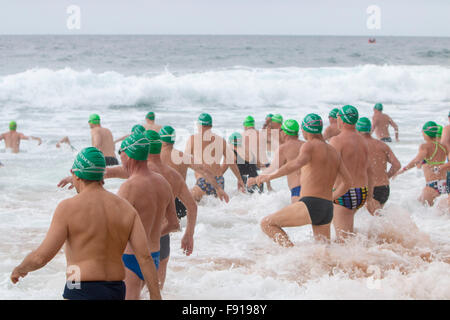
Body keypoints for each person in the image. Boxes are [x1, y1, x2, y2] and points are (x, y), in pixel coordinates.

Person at [12, 147, 161, 300]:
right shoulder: (126, 209)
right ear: (102, 175)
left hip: (79, 287)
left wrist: (20, 269)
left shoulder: (67, 208)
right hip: (115, 289)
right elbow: (145, 257)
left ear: (75, 175)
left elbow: (41, 257)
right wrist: (156, 295)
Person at [255, 114, 352, 246]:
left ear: (305, 129)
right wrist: (332, 197)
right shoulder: (333, 151)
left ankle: (293, 254)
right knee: (323, 252)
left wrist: (270, 176)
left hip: (310, 204)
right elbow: (348, 182)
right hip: (327, 207)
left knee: (267, 223)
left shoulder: (309, 146)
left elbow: (295, 164)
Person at [116, 133, 178, 299]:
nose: (120, 157)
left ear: (128, 155)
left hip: (130, 258)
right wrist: (153, 235)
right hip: (154, 257)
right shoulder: (163, 183)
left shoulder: (129, 186)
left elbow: (116, 230)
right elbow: (174, 223)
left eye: (120, 152)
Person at [159, 125, 230, 214]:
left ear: (160, 140)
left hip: (161, 201)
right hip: (179, 201)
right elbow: (204, 171)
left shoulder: (153, 158)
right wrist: (219, 189)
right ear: (173, 140)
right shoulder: (183, 157)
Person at [330, 105, 375, 240]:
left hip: (344, 193)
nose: (336, 121)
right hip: (362, 191)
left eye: (337, 117)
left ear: (342, 120)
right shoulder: (363, 140)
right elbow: (370, 171)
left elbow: (330, 168)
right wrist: (370, 197)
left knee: (343, 240)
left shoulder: (336, 140)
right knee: (348, 233)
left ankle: (360, 259)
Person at [186, 113, 245, 202]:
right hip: (219, 181)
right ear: (211, 125)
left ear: (199, 125)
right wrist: (239, 179)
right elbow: (231, 161)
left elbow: (184, 161)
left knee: (185, 202)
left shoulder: (193, 139)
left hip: (204, 181)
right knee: (214, 209)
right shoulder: (221, 140)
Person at [248, 119, 304, 202]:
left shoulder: (284, 148)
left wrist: (255, 179)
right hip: (310, 187)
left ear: (285, 133)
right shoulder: (305, 145)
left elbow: (272, 169)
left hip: (297, 190)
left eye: (281, 130)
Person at [394, 121, 448, 206]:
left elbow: (417, 160)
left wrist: (403, 170)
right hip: (444, 185)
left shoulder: (425, 146)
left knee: (423, 214)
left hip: (431, 186)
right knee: (436, 215)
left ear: (426, 133)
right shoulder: (444, 147)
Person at [356, 117, 401, 209]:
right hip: (384, 188)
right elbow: (397, 165)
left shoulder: (357, 145)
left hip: (369, 189)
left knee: (376, 220)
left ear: (358, 130)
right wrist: (386, 176)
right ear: (370, 129)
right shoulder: (382, 145)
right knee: (378, 218)